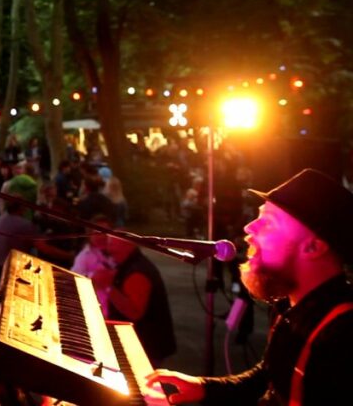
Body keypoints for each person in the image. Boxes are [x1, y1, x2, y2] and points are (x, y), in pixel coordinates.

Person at [147, 168, 353, 404]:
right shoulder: (289, 303)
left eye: (268, 223)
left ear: (313, 248)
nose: (249, 229)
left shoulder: (343, 338)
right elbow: (268, 376)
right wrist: (203, 387)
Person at [91, 232, 177, 368]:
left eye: (113, 245)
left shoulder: (137, 272)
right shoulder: (129, 263)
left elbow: (134, 312)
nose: (109, 249)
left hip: (147, 346)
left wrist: (108, 286)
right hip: (142, 342)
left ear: (127, 246)